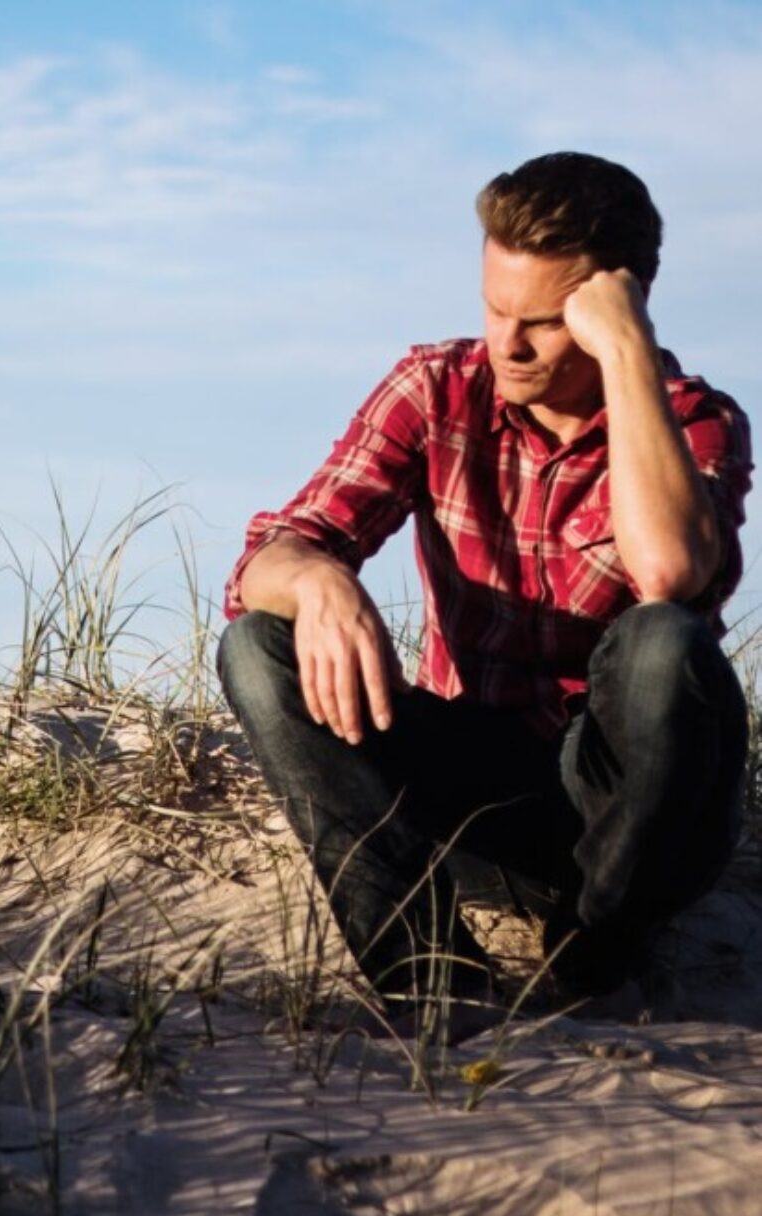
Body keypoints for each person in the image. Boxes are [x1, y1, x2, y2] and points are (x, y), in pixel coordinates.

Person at [216, 152, 753, 1015]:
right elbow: (269, 557)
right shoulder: (438, 387)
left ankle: (593, 960)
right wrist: (316, 580)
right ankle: (432, 985)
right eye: (496, 309)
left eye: (543, 321)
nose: (509, 343)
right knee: (256, 645)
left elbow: (670, 573)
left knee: (665, 641)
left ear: (622, 303)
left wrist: (627, 353)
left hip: (641, 816)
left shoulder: (696, 420)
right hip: (480, 791)